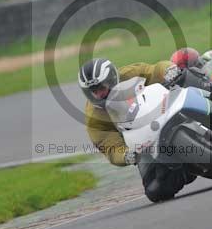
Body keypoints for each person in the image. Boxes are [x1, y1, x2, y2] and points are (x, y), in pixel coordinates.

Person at [79, 58, 195, 202]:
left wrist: (169, 70)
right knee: (155, 191)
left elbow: (155, 70)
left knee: (189, 76)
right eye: (93, 92)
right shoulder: (94, 117)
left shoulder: (129, 74)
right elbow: (110, 147)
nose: (98, 94)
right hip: (143, 143)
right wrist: (126, 156)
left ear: (112, 79)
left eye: (101, 88)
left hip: (164, 109)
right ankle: (187, 170)